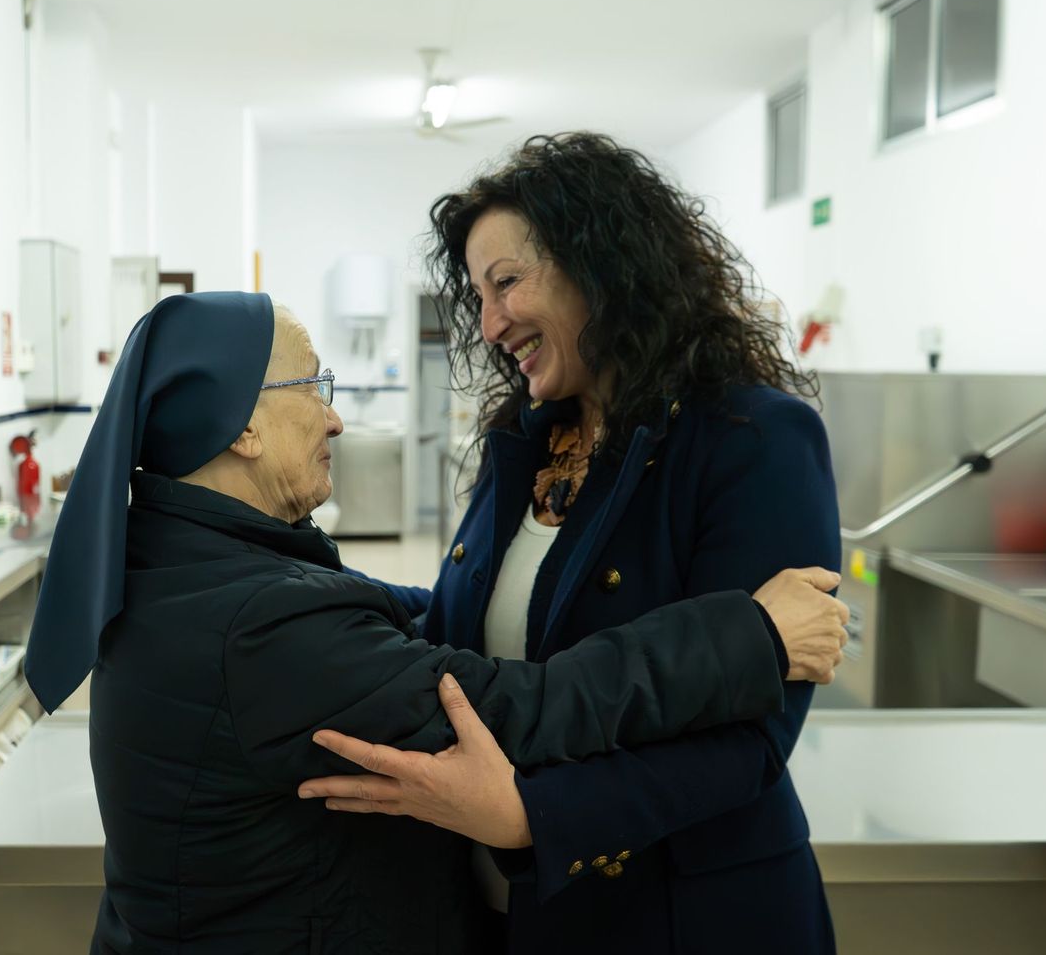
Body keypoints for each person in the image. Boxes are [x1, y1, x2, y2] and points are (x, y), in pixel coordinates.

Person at [22, 291, 848, 953]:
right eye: (312, 386)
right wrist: (751, 634)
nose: (334, 417)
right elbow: (521, 709)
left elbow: (373, 609)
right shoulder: (261, 628)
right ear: (241, 427)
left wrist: (489, 600)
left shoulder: (184, 561)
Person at [300, 133, 843, 953]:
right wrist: (324, 617)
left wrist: (533, 817)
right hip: (513, 908)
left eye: (507, 282)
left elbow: (750, 742)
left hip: (679, 917)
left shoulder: (752, 438)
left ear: (603, 266)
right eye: (478, 296)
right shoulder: (526, 444)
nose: (490, 323)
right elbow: (479, 632)